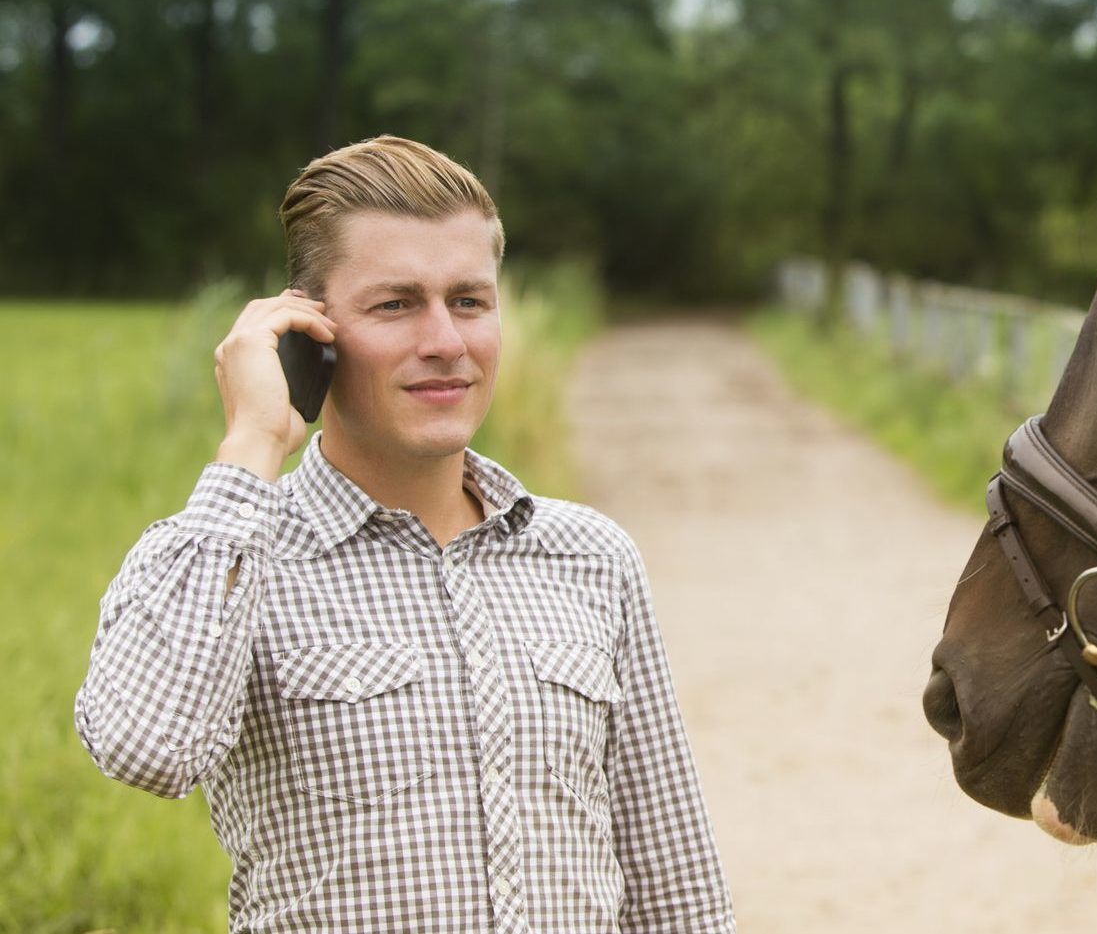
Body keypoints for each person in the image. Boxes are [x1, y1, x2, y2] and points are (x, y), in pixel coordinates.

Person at [73, 135, 736, 931]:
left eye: (469, 300)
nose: (445, 343)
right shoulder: (229, 555)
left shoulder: (590, 556)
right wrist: (254, 440)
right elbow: (149, 746)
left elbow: (674, 886)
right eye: (395, 304)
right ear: (307, 333)